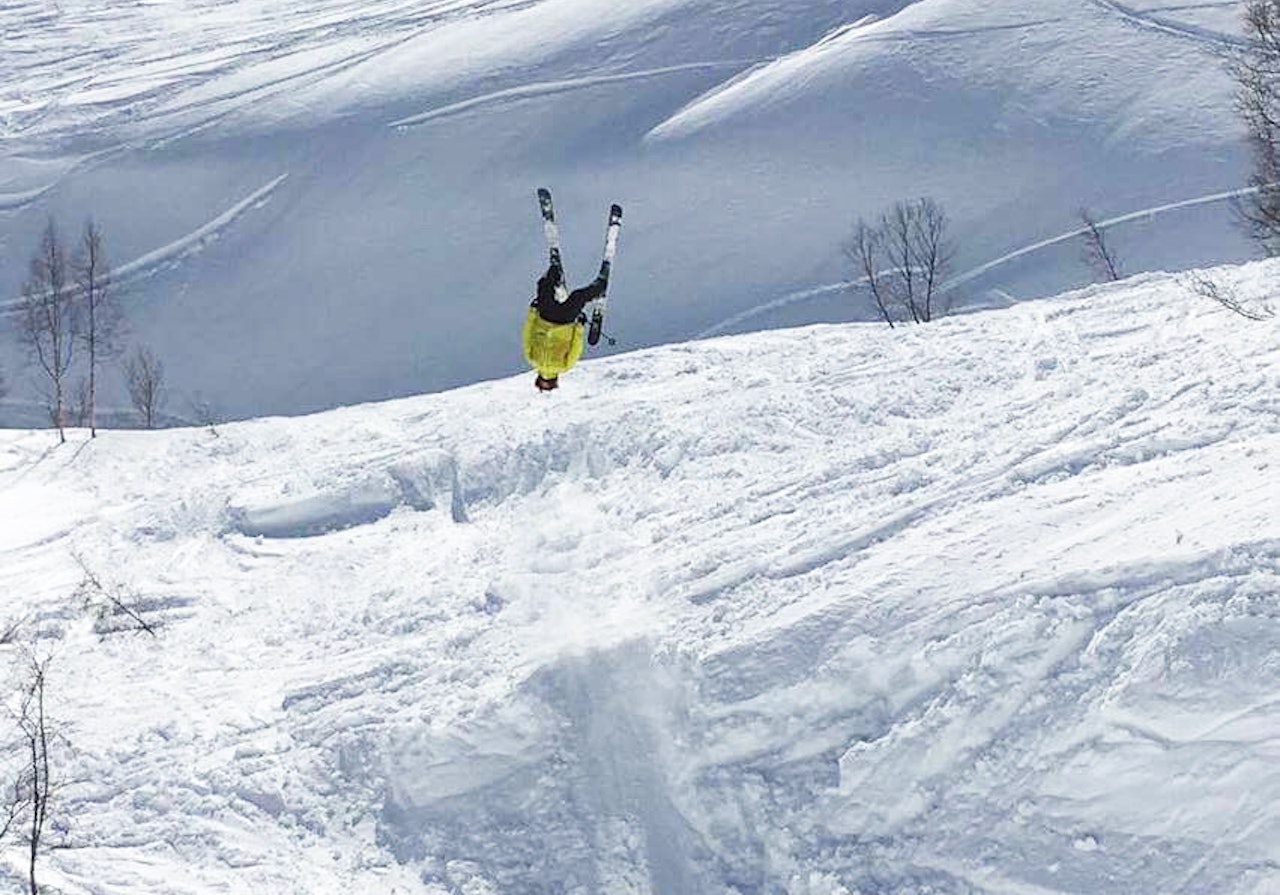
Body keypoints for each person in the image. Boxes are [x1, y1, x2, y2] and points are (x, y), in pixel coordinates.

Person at [522, 262, 607, 391]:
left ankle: (599, 288)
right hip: (546, 317)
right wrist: (533, 312)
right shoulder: (532, 360)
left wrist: (579, 327)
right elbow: (527, 333)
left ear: (555, 380)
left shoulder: (564, 366)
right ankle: (554, 273)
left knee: (577, 297)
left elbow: (576, 347)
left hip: (563, 322)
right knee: (544, 288)